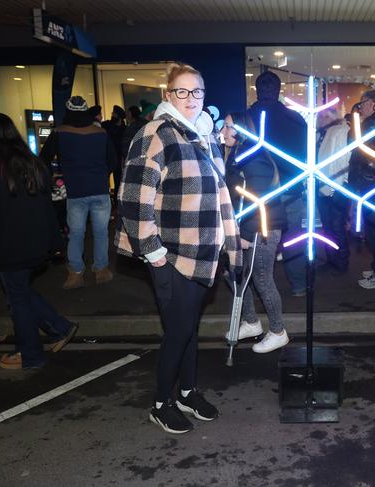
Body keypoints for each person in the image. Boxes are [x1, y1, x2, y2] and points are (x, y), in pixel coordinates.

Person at [116, 63, 242, 434]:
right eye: (182, 92)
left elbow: (216, 192)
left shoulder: (201, 134)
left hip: (203, 252)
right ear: (168, 96)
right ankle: (161, 401)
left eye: (197, 92)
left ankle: (187, 392)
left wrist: (231, 242)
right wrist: (153, 252)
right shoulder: (155, 133)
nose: (191, 99)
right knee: (179, 330)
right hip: (171, 254)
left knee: (188, 327)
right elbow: (132, 198)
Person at [0, 113, 78, 370]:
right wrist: (56, 242)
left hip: (10, 249)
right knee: (21, 292)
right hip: (36, 245)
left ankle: (30, 353)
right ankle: (58, 327)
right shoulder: (32, 163)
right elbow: (47, 207)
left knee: (18, 299)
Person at [221, 112, 289, 353]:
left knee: (261, 277)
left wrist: (247, 234)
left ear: (240, 130)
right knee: (234, 273)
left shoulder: (253, 155)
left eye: (228, 126)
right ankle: (251, 321)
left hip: (263, 226)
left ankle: (278, 331)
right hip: (248, 225)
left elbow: (257, 198)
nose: (223, 130)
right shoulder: (236, 154)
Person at [40, 96, 118, 289]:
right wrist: (101, 174)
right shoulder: (100, 133)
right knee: (101, 232)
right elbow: (113, 161)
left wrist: (55, 177)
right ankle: (101, 270)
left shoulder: (59, 132)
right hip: (99, 190)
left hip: (75, 192)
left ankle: (75, 273)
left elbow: (43, 159)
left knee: (76, 233)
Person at [247, 71, 308, 297]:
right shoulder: (295, 118)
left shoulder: (246, 118)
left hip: (258, 190)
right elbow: (305, 155)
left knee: (257, 241)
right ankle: (299, 285)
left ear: (257, 89)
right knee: (293, 239)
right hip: (291, 187)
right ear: (279, 89)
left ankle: (257, 288)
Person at [348, 90, 375, 289]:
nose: (360, 106)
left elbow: (357, 148)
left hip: (372, 183)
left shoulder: (373, 124)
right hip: (373, 182)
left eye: (362, 103)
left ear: (373, 103)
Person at [316, 106, 351, 275]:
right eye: (320, 115)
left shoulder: (341, 131)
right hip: (322, 186)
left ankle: (341, 263)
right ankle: (332, 260)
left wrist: (339, 185)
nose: (320, 118)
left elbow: (344, 160)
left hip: (336, 187)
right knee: (328, 226)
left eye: (324, 115)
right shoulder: (322, 133)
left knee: (336, 226)